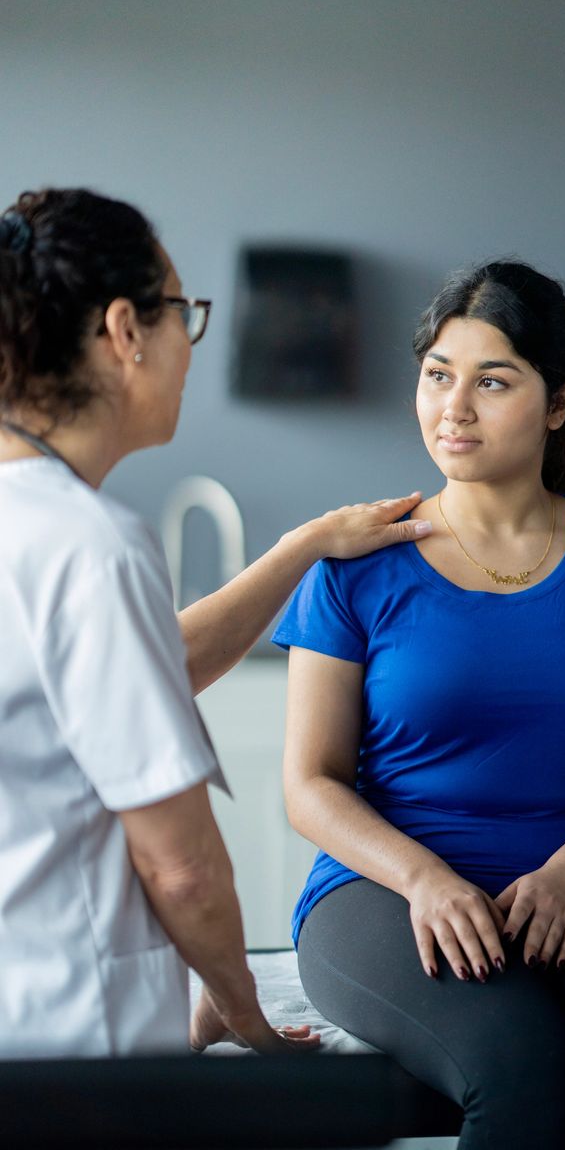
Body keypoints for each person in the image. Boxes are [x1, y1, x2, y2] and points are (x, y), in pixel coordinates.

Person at [274, 261, 565, 1148]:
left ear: (558, 405)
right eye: (438, 376)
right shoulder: (355, 562)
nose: (455, 407)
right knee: (527, 1061)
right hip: (383, 887)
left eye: (493, 381)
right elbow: (310, 783)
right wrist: (424, 879)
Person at [0, 187, 431, 1059]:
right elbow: (182, 867)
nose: (190, 351)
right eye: (181, 316)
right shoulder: (93, 547)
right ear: (126, 331)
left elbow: (152, 665)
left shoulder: (33, 526)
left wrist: (305, 544)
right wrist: (242, 1013)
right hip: (72, 1039)